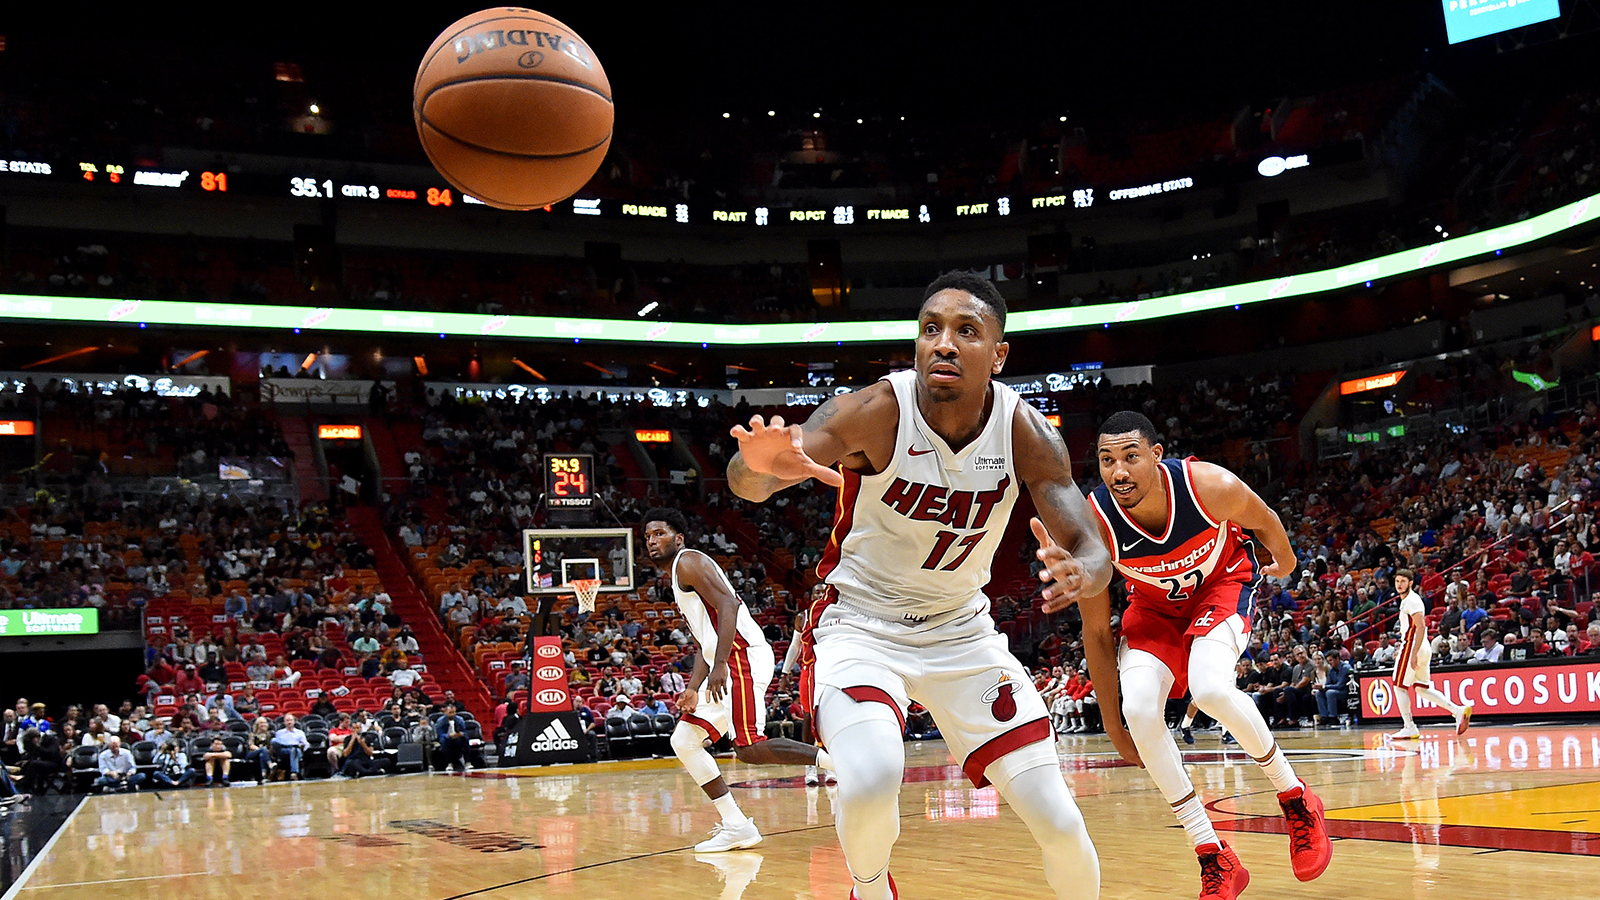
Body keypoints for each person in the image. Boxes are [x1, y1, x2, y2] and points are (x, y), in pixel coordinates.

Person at [728, 273, 1114, 900]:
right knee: (871, 778)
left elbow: (1091, 545)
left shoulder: (1025, 432)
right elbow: (749, 482)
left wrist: (1085, 573)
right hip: (860, 624)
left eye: (967, 331)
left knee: (1061, 821)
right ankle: (872, 889)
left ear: (999, 353)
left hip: (960, 628)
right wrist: (758, 466)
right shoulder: (875, 411)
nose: (944, 343)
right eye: (930, 328)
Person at [1087, 410, 1331, 898]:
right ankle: (1213, 853)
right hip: (1153, 610)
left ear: (1156, 457)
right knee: (1136, 709)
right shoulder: (1094, 524)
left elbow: (1265, 519)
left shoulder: (1208, 486)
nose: (1118, 471)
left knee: (1212, 687)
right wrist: (1114, 725)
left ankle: (1296, 797)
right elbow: (1095, 628)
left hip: (1220, 588)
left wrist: (1285, 561)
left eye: (1130, 457)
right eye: (1107, 459)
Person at [642, 508, 831, 852]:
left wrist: (719, 666)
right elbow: (703, 641)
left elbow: (728, 605)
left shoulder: (688, 562)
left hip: (739, 656)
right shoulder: (678, 576)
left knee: (748, 747)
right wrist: (693, 688)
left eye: (659, 533)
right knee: (684, 740)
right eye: (648, 537)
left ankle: (838, 763)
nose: (652, 541)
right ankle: (736, 825)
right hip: (727, 658)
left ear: (678, 537)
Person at [1389, 568, 1473, 739]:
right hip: (1421, 646)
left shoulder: (1411, 600)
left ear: (1411, 583)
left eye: (1403, 581)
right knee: (1421, 688)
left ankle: (1409, 726)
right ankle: (1457, 710)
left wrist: (1412, 653)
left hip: (1414, 646)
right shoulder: (1409, 600)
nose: (1399, 585)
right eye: (1397, 581)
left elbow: (1420, 626)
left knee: (1399, 686)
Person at [271, 714, 310, 781]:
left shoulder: (300, 732)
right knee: (273, 740)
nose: (289, 722)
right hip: (283, 751)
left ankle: (294, 773)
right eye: (287, 720)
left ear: (294, 721)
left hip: (296, 751)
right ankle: (292, 745)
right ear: (284, 722)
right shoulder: (279, 733)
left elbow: (306, 744)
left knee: (294, 750)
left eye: (291, 720)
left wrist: (301, 745)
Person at [434, 703, 471, 773]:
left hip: (458, 738)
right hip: (446, 739)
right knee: (448, 741)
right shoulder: (440, 721)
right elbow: (440, 734)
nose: (452, 714)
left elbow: (464, 731)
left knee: (465, 739)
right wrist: (449, 735)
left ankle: (467, 762)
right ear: (445, 712)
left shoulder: (460, 719)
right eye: (450, 712)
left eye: (454, 712)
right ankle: (449, 763)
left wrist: (461, 734)